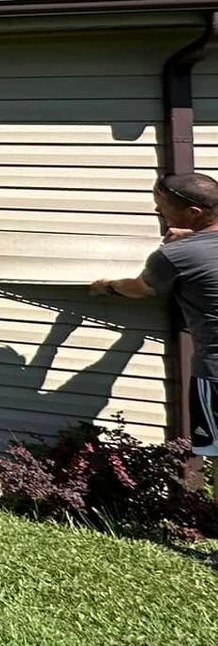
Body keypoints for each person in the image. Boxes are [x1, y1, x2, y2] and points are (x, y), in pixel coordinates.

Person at [91, 172, 218, 457]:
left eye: (163, 207)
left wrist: (107, 286)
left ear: (194, 213)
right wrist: (195, 235)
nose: (157, 210)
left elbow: (141, 289)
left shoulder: (175, 255)